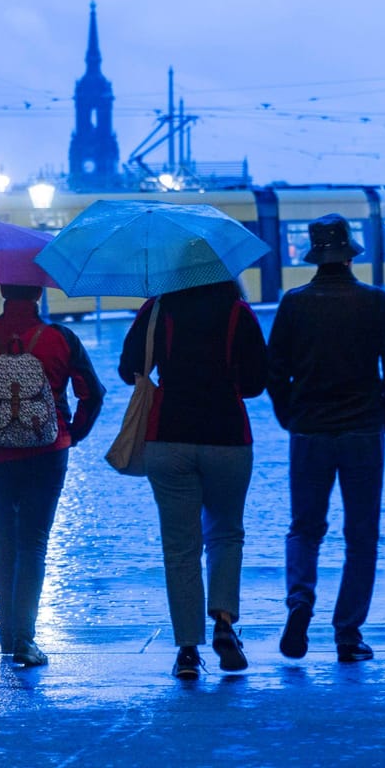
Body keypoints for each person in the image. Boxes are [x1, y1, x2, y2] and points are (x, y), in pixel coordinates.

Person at [267, 214, 385, 663]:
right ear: (350, 255)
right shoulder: (375, 302)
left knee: (304, 528)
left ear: (315, 256)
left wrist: (290, 415)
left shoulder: (294, 303)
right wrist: (381, 415)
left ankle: (300, 601)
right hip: (363, 432)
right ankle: (348, 633)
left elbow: (274, 372)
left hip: (309, 431)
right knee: (361, 534)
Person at [0, 283, 105, 668]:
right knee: (34, 543)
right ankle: (25, 639)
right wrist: (72, 433)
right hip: (48, 453)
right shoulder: (60, 338)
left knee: (5, 542)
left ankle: (6, 631)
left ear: (0, 290)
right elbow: (93, 393)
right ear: (38, 293)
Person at [120, 278, 269, 679]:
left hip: (167, 438)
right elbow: (256, 384)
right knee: (225, 534)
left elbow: (128, 370)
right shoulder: (238, 312)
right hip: (228, 438)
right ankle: (223, 623)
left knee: (180, 547)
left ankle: (187, 649)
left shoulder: (156, 309)